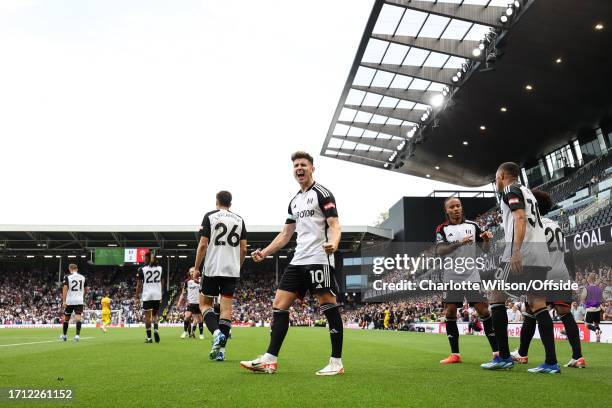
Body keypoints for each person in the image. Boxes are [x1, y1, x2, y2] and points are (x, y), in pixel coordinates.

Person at [240, 151, 343, 376]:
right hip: (299, 259)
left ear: (312, 168)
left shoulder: (323, 194)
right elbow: (286, 233)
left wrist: (333, 243)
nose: (299, 168)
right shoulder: (294, 201)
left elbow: (334, 224)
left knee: (328, 304)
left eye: (303, 164)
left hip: (319, 258)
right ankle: (270, 359)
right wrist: (265, 252)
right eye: (296, 165)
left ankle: (336, 362)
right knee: (279, 304)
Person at [482, 162, 559, 374]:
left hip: (521, 251)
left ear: (502, 175)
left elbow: (519, 217)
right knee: (538, 303)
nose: (496, 182)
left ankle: (504, 357)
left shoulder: (509, 189)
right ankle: (551, 362)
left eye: (496, 178)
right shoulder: (528, 192)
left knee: (496, 298)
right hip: (540, 253)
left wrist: (516, 251)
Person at [510, 189, 585, 368]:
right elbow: (567, 254)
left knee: (531, 311)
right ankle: (578, 356)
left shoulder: (532, 224)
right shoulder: (556, 224)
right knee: (565, 314)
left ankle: (523, 353)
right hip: (561, 272)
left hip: (542, 273)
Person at [434, 197, 497, 364]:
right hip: (451, 277)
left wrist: (486, 240)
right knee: (450, 312)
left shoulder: (473, 226)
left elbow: (485, 251)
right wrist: (459, 243)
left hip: (471, 275)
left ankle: (497, 353)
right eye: (452, 207)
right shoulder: (442, 229)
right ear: (446, 210)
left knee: (483, 311)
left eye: (458, 205)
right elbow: (440, 250)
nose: (456, 209)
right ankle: (455, 354)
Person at [194, 190, 247, 361]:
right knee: (226, 310)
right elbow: (244, 249)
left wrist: (196, 268)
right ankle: (221, 352)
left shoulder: (210, 216)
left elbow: (203, 245)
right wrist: (236, 266)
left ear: (216, 202)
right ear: (230, 204)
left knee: (204, 304)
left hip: (212, 268)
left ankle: (216, 333)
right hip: (231, 270)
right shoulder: (240, 220)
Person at [135, 251, 163, 343]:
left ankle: (149, 338)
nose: (143, 259)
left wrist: (136, 297)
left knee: (147, 316)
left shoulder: (141, 269)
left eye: (144, 258)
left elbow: (139, 285)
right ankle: (156, 329)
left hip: (147, 295)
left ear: (147, 259)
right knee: (155, 315)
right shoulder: (160, 268)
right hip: (157, 294)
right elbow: (162, 282)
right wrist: (160, 292)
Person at [60, 264, 87, 342]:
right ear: (77, 269)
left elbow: (65, 289)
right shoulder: (83, 277)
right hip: (79, 300)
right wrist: (81, 296)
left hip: (70, 300)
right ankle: (77, 335)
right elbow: (85, 290)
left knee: (66, 319)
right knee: (78, 318)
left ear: (69, 269)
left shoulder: (67, 277)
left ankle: (64, 336)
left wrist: (64, 301)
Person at [178, 268, 204, 340]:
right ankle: (185, 332)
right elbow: (183, 293)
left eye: (193, 271)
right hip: (190, 303)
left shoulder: (200, 280)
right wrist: (179, 302)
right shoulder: (187, 282)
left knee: (200, 319)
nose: (192, 273)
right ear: (189, 273)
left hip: (199, 303)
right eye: (191, 272)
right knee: (187, 317)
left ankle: (201, 334)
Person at [581, 272, 604, 342]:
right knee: (596, 324)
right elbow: (601, 299)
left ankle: (596, 330)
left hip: (590, 309)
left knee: (587, 325)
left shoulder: (586, 288)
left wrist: (585, 302)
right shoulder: (599, 289)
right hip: (597, 309)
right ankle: (598, 335)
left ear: (589, 279)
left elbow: (583, 298)